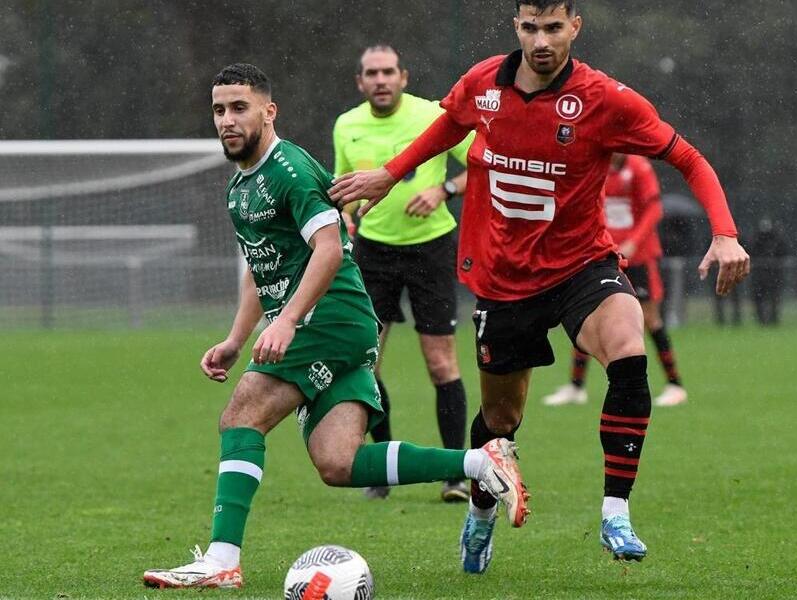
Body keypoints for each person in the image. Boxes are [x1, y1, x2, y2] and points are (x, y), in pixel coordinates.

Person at [330, 0, 749, 571]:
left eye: (554, 27)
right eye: (531, 27)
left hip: (583, 266)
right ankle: (479, 513)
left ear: (575, 26)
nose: (542, 40)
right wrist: (389, 174)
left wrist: (724, 233)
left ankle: (615, 511)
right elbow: (447, 126)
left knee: (629, 350)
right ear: (517, 28)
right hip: (504, 281)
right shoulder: (482, 83)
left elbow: (690, 158)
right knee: (501, 419)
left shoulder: (605, 99)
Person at [141, 64, 528, 590]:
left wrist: (290, 320)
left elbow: (328, 249)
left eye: (239, 108)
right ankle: (480, 463)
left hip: (330, 316)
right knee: (338, 463)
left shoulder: (290, 170)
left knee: (241, 416)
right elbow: (262, 269)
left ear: (268, 111)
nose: (227, 120)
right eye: (218, 110)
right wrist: (236, 338)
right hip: (339, 324)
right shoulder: (240, 188)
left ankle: (221, 560)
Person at [334, 45, 474, 502]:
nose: (381, 80)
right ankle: (383, 468)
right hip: (373, 254)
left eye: (388, 71)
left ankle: (455, 473)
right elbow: (343, 187)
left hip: (431, 249)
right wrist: (347, 215)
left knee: (441, 363)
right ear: (360, 82)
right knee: (365, 361)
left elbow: (486, 160)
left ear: (404, 76)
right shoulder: (346, 125)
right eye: (371, 73)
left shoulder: (433, 115)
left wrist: (444, 188)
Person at [543, 153, 687, 407]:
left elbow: (654, 209)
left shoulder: (639, 168)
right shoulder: (596, 164)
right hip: (605, 256)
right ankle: (576, 387)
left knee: (651, 319)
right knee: (587, 314)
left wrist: (633, 242)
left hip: (638, 256)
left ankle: (675, 384)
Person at [749, 216, 787, 325]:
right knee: (759, 298)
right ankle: (761, 320)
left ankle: (773, 319)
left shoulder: (776, 240)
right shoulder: (757, 240)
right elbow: (751, 251)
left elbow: (783, 252)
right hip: (760, 275)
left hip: (773, 275)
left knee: (774, 298)